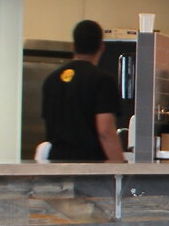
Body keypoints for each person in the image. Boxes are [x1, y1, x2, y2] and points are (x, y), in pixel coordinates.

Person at [41, 19, 125, 162]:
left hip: (56, 162)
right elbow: (105, 130)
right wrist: (119, 165)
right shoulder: (102, 80)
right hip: (89, 164)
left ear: (74, 46)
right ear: (101, 46)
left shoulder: (51, 80)